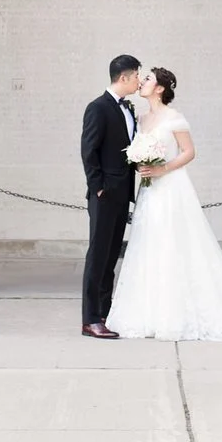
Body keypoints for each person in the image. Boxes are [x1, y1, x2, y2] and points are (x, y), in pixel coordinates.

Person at [106, 68, 222, 342]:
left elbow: (189, 152)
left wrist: (163, 169)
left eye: (148, 79)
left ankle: (178, 313)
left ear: (160, 88)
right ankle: (150, 311)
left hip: (172, 189)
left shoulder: (174, 118)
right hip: (149, 192)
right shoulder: (139, 118)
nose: (142, 82)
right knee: (150, 244)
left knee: (174, 244)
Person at [79, 54, 142, 339]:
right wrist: (98, 187)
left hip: (121, 195)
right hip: (104, 195)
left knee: (110, 258)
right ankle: (90, 319)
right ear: (124, 77)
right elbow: (88, 150)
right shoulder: (98, 108)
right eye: (137, 75)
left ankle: (105, 313)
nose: (139, 81)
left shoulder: (127, 108)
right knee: (98, 256)